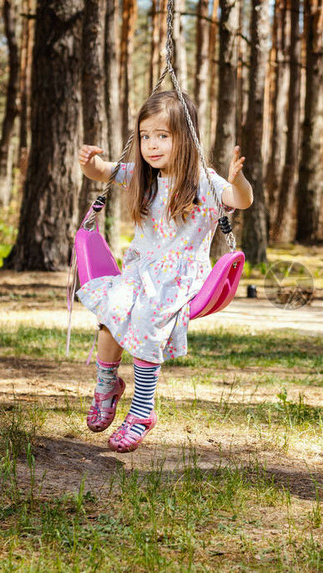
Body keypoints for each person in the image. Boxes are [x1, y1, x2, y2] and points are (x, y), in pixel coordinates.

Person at [76, 90, 253, 453]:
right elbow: (104, 171)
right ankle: (107, 384)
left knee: (145, 317)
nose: (151, 145)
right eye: (145, 136)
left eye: (162, 136)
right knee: (110, 313)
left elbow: (241, 201)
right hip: (140, 272)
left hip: (180, 279)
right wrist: (89, 163)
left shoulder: (205, 181)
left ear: (185, 138)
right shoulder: (144, 175)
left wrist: (237, 181)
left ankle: (142, 411)